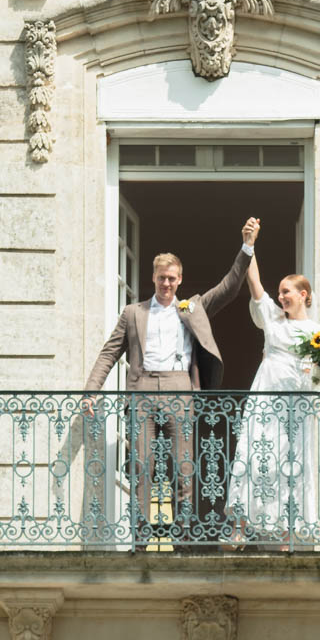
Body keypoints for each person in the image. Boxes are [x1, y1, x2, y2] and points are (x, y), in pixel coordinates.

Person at [84, 218, 260, 544]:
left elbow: (230, 286)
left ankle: (179, 538)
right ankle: (143, 538)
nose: (167, 283)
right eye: (162, 278)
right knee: (142, 466)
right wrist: (90, 392)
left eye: (172, 278)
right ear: (153, 277)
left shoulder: (192, 307)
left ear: (180, 280)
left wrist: (247, 246)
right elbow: (109, 353)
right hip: (143, 390)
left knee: (183, 468)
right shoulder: (132, 313)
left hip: (181, 389)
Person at [225, 246, 318, 543]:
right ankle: (238, 529)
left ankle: (285, 534)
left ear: (304, 294)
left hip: (297, 401)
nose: (281, 297)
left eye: (287, 291)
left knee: (291, 462)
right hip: (266, 395)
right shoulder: (273, 319)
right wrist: (249, 245)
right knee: (252, 452)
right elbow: (255, 285)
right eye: (280, 292)